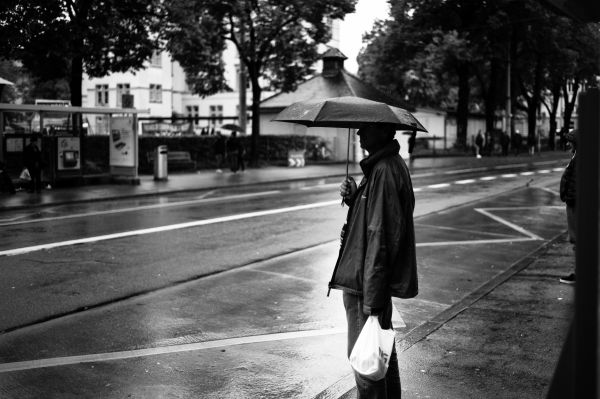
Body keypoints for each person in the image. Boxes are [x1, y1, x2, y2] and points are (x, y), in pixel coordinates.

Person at [329, 123, 418, 398]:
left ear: (382, 131)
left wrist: (373, 301)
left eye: (364, 129)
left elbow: (381, 239)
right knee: (381, 358)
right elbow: (376, 222)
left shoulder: (384, 171)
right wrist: (356, 196)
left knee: (366, 366)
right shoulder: (385, 167)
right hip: (370, 283)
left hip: (365, 287)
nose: (358, 134)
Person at [559, 129, 577, 284]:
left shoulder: (580, 158)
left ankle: (580, 273)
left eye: (570, 141)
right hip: (573, 202)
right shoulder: (577, 156)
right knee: (576, 239)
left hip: (575, 204)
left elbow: (576, 182)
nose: (568, 143)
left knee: (577, 239)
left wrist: (569, 198)